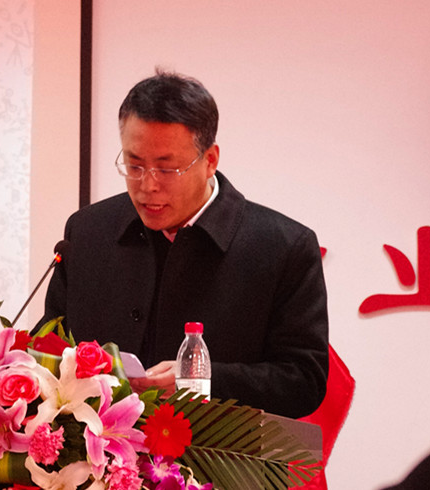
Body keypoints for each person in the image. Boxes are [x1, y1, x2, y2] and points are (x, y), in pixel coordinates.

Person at [34, 70, 329, 418]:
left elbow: (304, 381)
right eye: (134, 165)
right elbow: (50, 346)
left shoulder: (282, 247)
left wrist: (201, 380)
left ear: (210, 160)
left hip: (217, 449)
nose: (148, 186)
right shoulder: (88, 231)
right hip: (95, 446)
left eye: (167, 169)